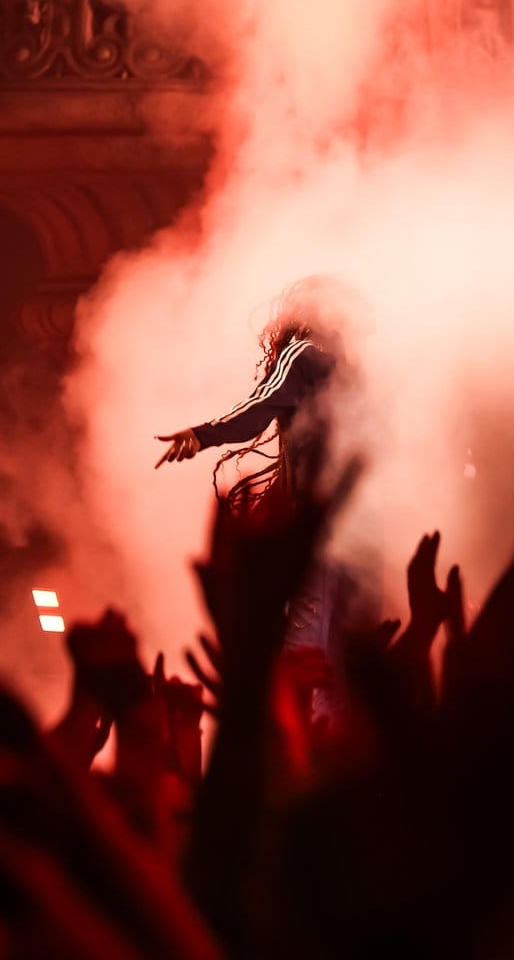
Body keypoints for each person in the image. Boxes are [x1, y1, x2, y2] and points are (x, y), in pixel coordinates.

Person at [155, 275, 361, 718]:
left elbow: (260, 408)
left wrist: (201, 435)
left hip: (331, 531)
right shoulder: (308, 355)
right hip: (340, 531)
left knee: (318, 643)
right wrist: (203, 434)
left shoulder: (343, 365)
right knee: (331, 645)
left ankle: (306, 748)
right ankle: (310, 750)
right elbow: (260, 406)